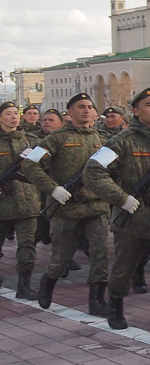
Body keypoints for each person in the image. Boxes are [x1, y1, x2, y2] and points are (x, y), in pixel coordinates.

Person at [83, 88, 150, 342]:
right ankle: (116, 307)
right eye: (148, 105)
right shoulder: (121, 141)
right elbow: (93, 171)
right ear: (135, 111)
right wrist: (121, 198)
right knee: (124, 268)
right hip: (134, 219)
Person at [22, 93, 110, 314]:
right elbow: (30, 165)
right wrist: (52, 188)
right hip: (66, 207)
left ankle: (97, 300)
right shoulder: (55, 138)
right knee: (61, 258)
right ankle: (48, 282)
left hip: (96, 206)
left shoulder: (102, 138)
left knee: (100, 255)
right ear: (70, 112)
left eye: (90, 106)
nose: (87, 110)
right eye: (81, 107)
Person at [0, 101, 42, 297]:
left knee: (27, 245)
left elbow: (43, 167)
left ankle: (24, 284)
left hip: (27, 201)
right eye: (8, 113)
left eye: (15, 113)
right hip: (2, 203)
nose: (13, 117)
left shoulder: (30, 140)